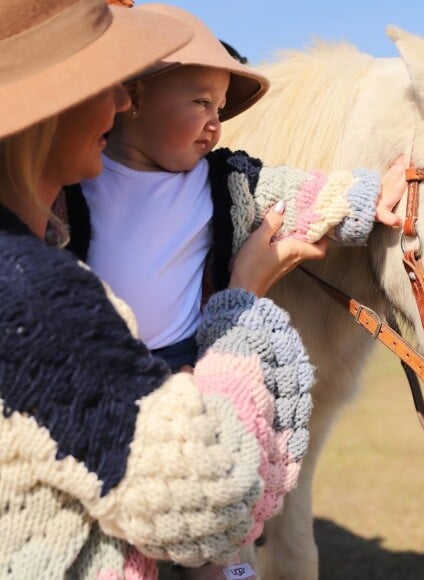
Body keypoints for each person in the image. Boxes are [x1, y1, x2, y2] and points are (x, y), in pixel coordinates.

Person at [0, 1, 330, 578]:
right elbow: (210, 497)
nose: (122, 100)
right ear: (50, 104)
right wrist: (242, 302)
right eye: (107, 82)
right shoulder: (34, 297)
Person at [64, 2, 406, 374]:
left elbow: (295, 193)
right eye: (201, 103)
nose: (215, 123)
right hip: (85, 365)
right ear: (133, 98)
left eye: (220, 108)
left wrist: (368, 197)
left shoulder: (223, 182)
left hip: (181, 365)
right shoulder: (73, 176)